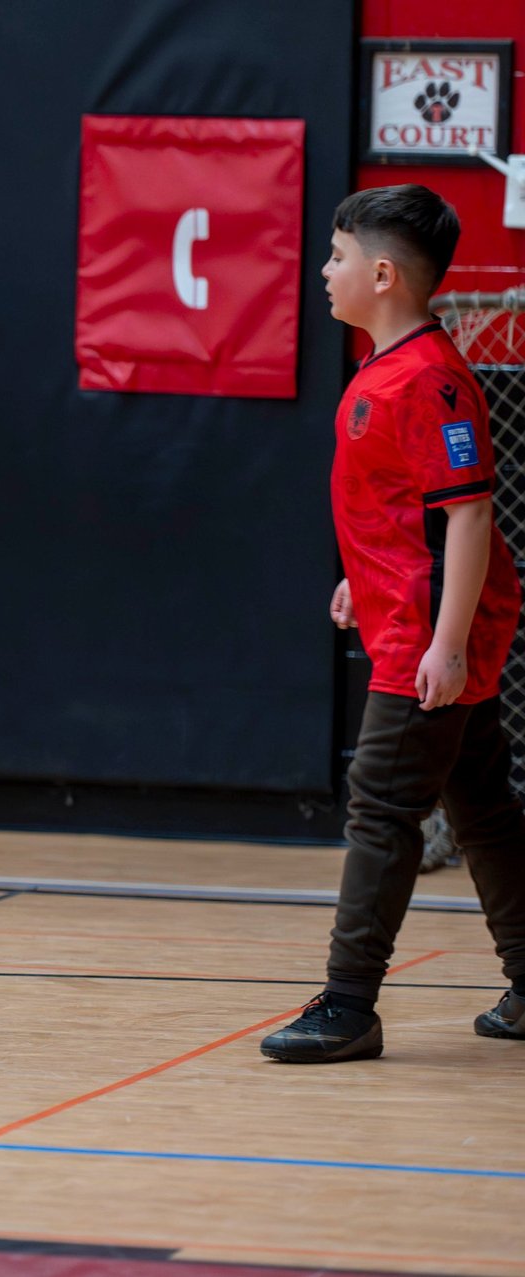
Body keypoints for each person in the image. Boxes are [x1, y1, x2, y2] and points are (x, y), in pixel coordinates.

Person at [261, 185, 525, 1062]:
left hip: (429, 643)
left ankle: (347, 1005)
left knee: (380, 807)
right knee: (482, 805)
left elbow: (470, 515)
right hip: (408, 623)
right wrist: (358, 585)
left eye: (335, 257)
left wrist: (447, 645)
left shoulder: (434, 381)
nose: (324, 271)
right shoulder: (384, 368)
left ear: (381, 274)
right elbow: (396, 511)